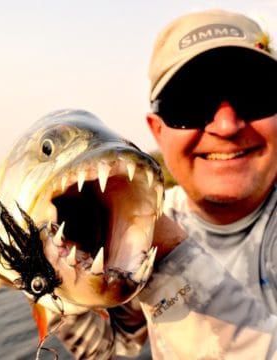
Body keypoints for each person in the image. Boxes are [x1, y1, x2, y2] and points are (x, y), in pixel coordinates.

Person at [47, 8, 277, 359]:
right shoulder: (140, 218)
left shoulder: (154, 229)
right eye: (191, 103)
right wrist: (47, 276)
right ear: (157, 130)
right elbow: (111, 349)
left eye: (255, 95)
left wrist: (171, 256)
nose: (227, 126)